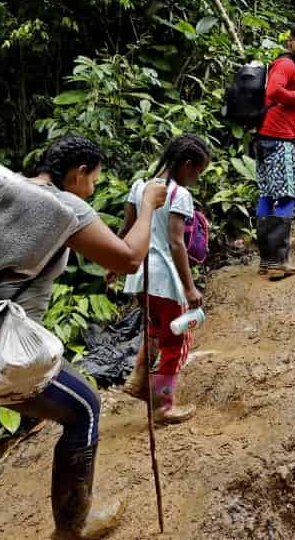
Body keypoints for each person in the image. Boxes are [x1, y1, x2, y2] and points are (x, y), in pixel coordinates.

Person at [0, 136, 168, 540]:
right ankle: (74, 526)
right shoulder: (61, 204)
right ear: (78, 173)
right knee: (84, 408)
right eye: (94, 180)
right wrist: (147, 206)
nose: (93, 188)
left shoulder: (1, 191)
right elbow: (128, 258)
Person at [118, 134, 212, 424]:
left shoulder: (140, 187)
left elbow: (127, 228)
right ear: (186, 164)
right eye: (197, 172)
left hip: (140, 277)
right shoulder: (179, 194)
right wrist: (189, 286)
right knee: (176, 340)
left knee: (154, 328)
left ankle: (138, 379)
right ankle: (163, 406)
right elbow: (176, 243)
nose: (196, 178)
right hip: (166, 280)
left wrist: (115, 265)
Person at [255, 22, 295, 280]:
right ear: (290, 41)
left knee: (268, 196)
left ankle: (267, 260)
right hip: (279, 140)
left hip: (267, 138)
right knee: (287, 196)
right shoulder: (286, 64)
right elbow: (273, 91)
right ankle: (279, 262)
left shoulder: (287, 64)